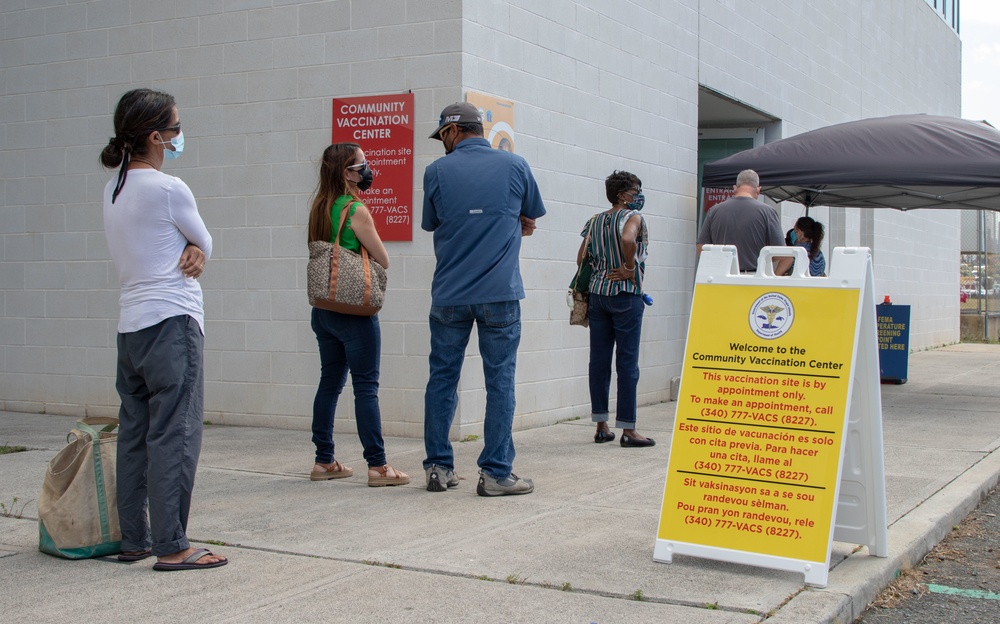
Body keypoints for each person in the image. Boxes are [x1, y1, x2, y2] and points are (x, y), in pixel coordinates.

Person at [101, 88, 226, 571]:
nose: (178, 137)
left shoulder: (114, 189)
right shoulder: (168, 187)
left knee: (135, 434)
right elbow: (206, 239)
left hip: (130, 328)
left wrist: (194, 247)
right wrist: (198, 247)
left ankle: (134, 538)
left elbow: (189, 243)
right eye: (175, 129)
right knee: (175, 433)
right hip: (171, 323)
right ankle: (173, 546)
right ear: (155, 136)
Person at [421, 102, 546, 496]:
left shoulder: (436, 172)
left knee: (442, 379)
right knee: (500, 382)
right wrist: (510, 224)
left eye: (442, 135)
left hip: (450, 295)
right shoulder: (516, 166)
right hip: (500, 294)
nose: (442, 142)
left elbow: (434, 223)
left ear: (452, 132)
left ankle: (439, 468)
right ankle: (495, 473)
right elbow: (531, 219)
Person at [306, 143, 409, 487]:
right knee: (366, 388)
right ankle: (378, 466)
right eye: (361, 164)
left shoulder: (319, 207)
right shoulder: (355, 210)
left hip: (323, 311)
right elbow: (383, 258)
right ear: (346, 172)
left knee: (329, 384)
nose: (367, 169)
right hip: (354, 313)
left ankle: (324, 461)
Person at [577, 171, 654, 447]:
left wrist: (601, 269)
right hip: (626, 295)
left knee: (598, 362)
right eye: (636, 189)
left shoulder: (594, 221)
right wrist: (629, 268)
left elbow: (580, 257)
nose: (639, 193)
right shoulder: (633, 217)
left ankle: (601, 425)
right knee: (627, 363)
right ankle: (629, 430)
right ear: (622, 195)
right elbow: (627, 238)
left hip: (598, 296)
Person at [696, 169, 783, 273]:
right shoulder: (768, 212)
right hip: (754, 277)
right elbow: (779, 252)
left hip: (721, 277)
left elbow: (701, 249)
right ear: (758, 190)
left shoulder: (714, 211)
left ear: (735, 188)